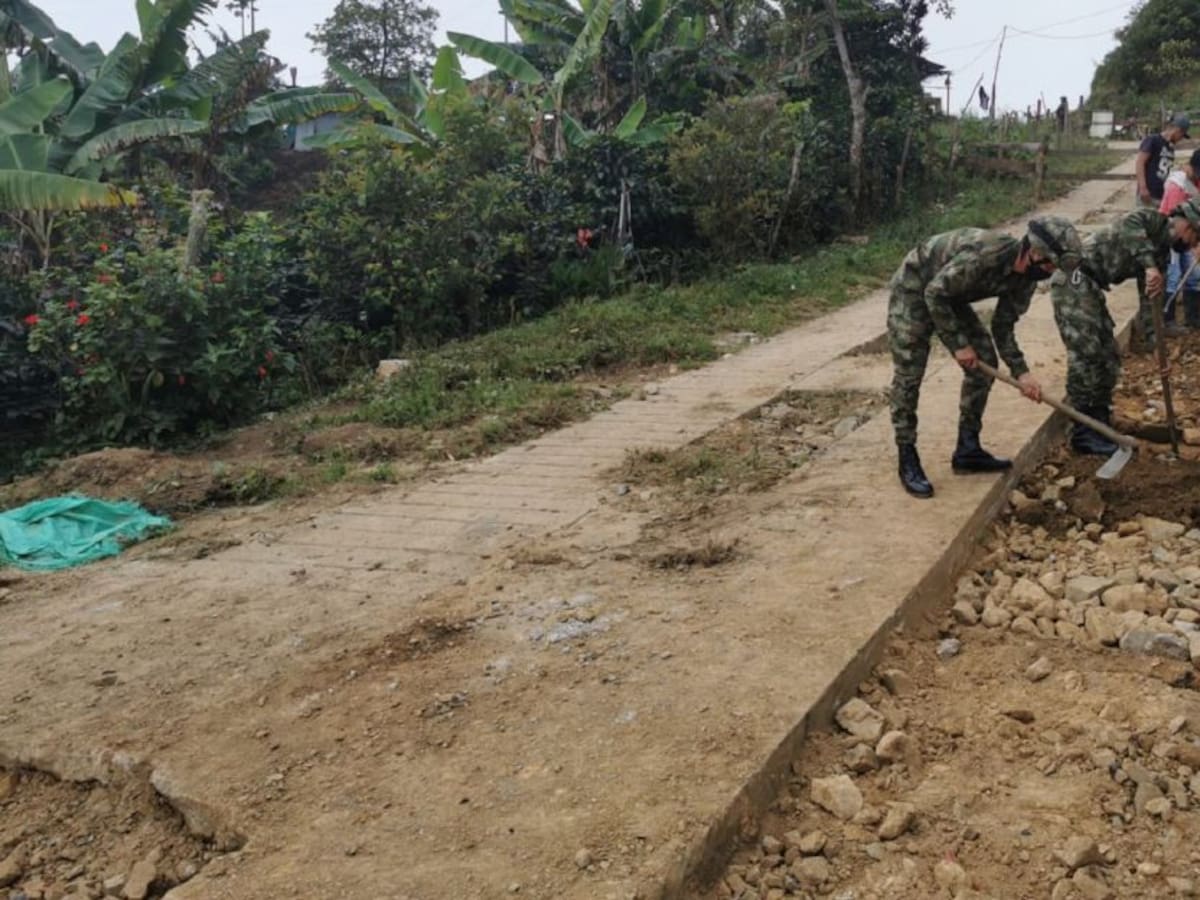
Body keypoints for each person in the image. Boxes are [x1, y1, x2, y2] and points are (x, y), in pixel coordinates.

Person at [889, 217, 1084, 499]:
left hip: (950, 296)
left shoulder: (1027, 279)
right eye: (1052, 264)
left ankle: (967, 449)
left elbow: (1002, 327)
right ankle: (907, 455)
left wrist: (1022, 372)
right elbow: (934, 293)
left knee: (985, 365)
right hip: (917, 285)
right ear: (1035, 253)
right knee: (910, 373)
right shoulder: (985, 256)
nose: (1052, 271)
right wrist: (958, 345)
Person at [1051, 200, 1200, 455]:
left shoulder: (1162, 256)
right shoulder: (1152, 220)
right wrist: (1148, 265)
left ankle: (1098, 423)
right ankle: (1082, 433)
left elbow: (1150, 304)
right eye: (1195, 236)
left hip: (1091, 287)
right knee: (1087, 355)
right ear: (1186, 221)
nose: (1193, 245)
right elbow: (1132, 222)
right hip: (1074, 278)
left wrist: (1156, 348)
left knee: (1108, 357)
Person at [1159, 148, 1200, 331]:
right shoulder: (1177, 184)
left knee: (1193, 276)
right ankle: (1167, 321)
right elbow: (1175, 219)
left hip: (1189, 236)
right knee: (1173, 276)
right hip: (1173, 237)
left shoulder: (1195, 182)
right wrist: (1192, 244)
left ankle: (1193, 318)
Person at [1136, 114, 1190, 209]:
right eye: (1182, 136)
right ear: (1177, 130)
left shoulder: (1170, 147)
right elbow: (1140, 163)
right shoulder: (1153, 140)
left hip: (1161, 195)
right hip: (1148, 193)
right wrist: (1143, 188)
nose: (1180, 139)